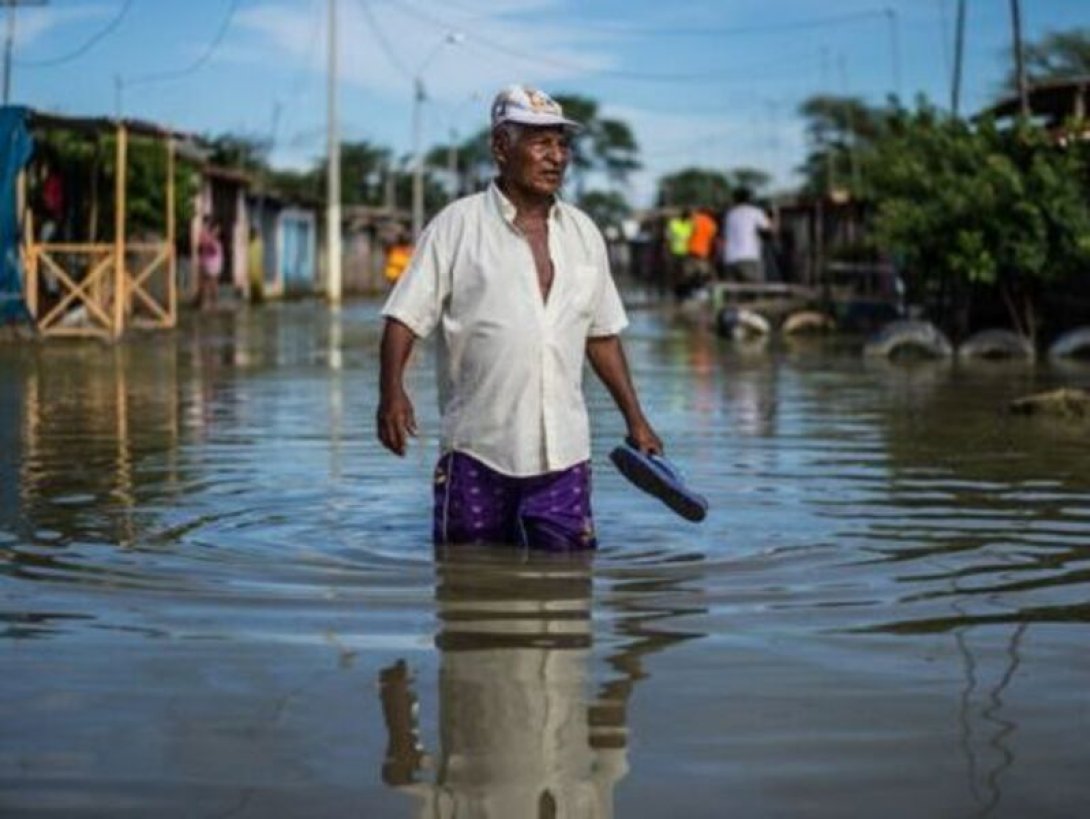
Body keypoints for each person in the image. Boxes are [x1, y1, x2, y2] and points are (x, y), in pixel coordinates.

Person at [376, 84, 662, 551]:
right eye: (540, 142)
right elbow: (403, 318)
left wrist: (637, 420)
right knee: (466, 583)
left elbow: (603, 336)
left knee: (568, 588)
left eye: (562, 144)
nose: (557, 157)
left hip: (564, 453)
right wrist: (391, 393)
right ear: (500, 148)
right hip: (477, 449)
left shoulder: (584, 233)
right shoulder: (456, 226)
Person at [722, 187, 774, 283]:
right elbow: (770, 230)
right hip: (749, 257)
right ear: (750, 199)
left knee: (734, 295)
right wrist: (774, 216)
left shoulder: (729, 214)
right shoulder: (755, 212)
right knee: (754, 292)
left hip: (730, 259)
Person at [664, 208, 693, 298]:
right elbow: (667, 238)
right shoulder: (673, 224)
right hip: (674, 252)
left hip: (685, 252)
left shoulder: (690, 225)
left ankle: (683, 291)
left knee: (684, 273)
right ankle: (676, 291)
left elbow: (691, 237)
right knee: (675, 273)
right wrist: (667, 250)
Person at [196, 217, 223, 310]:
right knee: (208, 284)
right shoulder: (206, 236)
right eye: (216, 229)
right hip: (208, 263)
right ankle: (208, 304)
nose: (218, 231)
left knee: (210, 284)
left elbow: (205, 248)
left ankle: (210, 304)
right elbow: (203, 247)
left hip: (210, 263)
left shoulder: (207, 237)